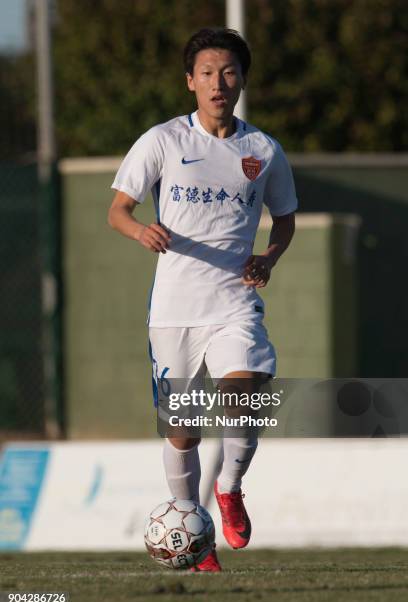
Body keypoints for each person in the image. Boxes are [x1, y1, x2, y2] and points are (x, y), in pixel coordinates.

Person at [108, 27, 297, 572]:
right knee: (183, 430)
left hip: (234, 300)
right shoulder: (164, 140)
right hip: (174, 308)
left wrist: (269, 257)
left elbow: (284, 218)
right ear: (190, 81)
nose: (219, 82)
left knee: (244, 391)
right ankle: (193, 535)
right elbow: (118, 209)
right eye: (208, 73)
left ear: (242, 79)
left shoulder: (262, 149)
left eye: (230, 71)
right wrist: (140, 230)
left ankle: (230, 487)